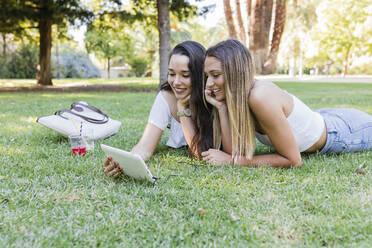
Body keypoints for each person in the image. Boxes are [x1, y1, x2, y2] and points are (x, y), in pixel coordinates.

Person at [201, 39, 372, 168]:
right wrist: (222, 108)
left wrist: (233, 162)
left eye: (215, 75)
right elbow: (235, 150)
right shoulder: (239, 97)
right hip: (323, 116)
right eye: (207, 76)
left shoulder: (259, 96)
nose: (208, 84)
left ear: (235, 72)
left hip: (343, 132)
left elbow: (293, 160)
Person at [104, 41, 213, 177]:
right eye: (172, 74)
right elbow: (145, 147)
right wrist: (124, 163)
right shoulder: (166, 97)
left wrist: (181, 108)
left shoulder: (211, 97)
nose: (176, 82)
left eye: (185, 75)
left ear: (199, 76)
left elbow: (199, 153)